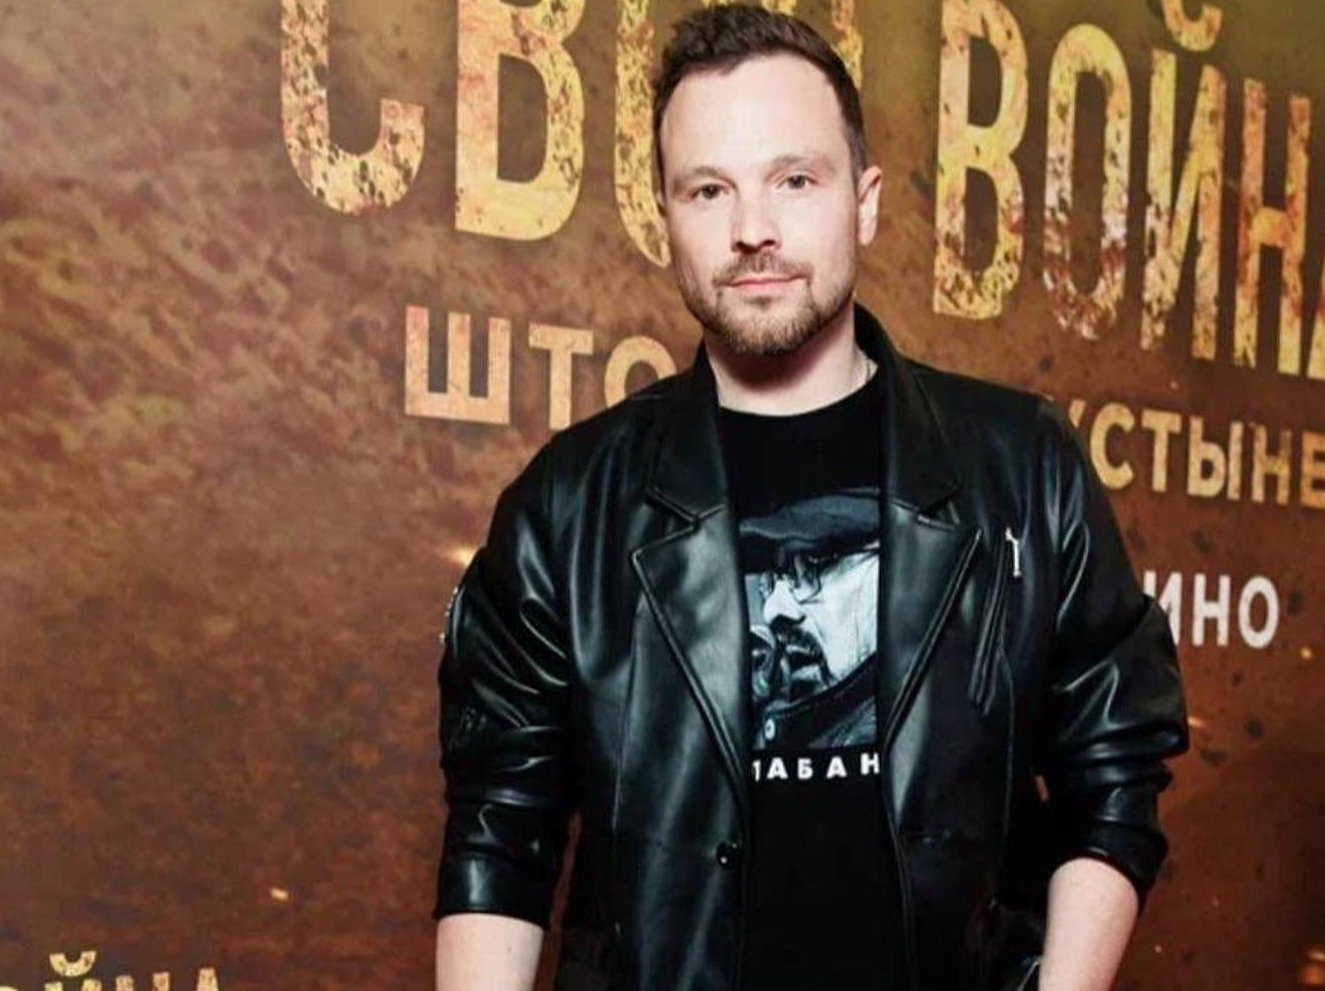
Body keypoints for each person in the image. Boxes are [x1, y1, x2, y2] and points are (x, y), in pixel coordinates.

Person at [432, 7, 1189, 991]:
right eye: (709, 189)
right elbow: (502, 828)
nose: (753, 228)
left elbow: (1113, 769)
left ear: (863, 202)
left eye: (794, 179)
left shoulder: (1023, 467)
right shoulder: (567, 504)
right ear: (665, 217)